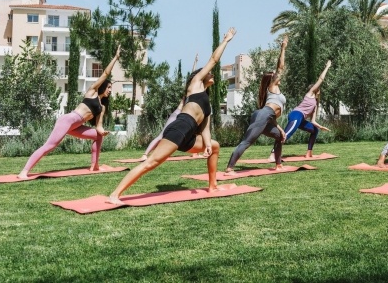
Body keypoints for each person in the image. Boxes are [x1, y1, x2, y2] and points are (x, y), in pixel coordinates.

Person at [108, 28, 236, 204]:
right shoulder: (195, 85)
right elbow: (214, 59)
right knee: (151, 163)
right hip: (179, 128)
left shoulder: (206, 102)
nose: (212, 73)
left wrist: (207, 144)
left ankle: (212, 185)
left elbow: (205, 127)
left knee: (214, 146)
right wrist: (226, 41)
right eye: (209, 72)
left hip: (189, 136)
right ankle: (114, 194)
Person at [18, 45, 122, 179]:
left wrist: (103, 131)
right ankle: (24, 172)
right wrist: (116, 57)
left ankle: (95, 165)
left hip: (76, 126)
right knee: (50, 146)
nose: (110, 90)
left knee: (98, 136)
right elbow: (106, 73)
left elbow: (99, 126)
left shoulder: (102, 107)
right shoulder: (92, 92)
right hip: (68, 120)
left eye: (111, 88)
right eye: (109, 87)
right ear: (102, 86)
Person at [225, 37, 288, 175]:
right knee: (247, 142)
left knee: (280, 136)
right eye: (275, 76)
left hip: (266, 117)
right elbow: (280, 67)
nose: (278, 76)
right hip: (263, 115)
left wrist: (280, 129)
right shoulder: (272, 87)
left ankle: (278, 164)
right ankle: (229, 168)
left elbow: (271, 117)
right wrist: (283, 48)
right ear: (271, 80)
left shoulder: (273, 91)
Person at [268, 59, 332, 161]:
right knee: (286, 135)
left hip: (301, 119)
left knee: (314, 130)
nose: (319, 89)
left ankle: (309, 153)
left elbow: (313, 121)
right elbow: (321, 79)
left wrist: (320, 127)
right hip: (296, 115)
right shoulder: (310, 94)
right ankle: (272, 155)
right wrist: (327, 67)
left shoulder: (315, 104)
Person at [140, 53, 200, 161]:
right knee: (162, 136)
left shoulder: (196, 94)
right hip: (177, 114)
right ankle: (145, 154)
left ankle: (195, 153)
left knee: (195, 133)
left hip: (185, 117)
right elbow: (192, 77)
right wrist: (195, 63)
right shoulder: (189, 91)